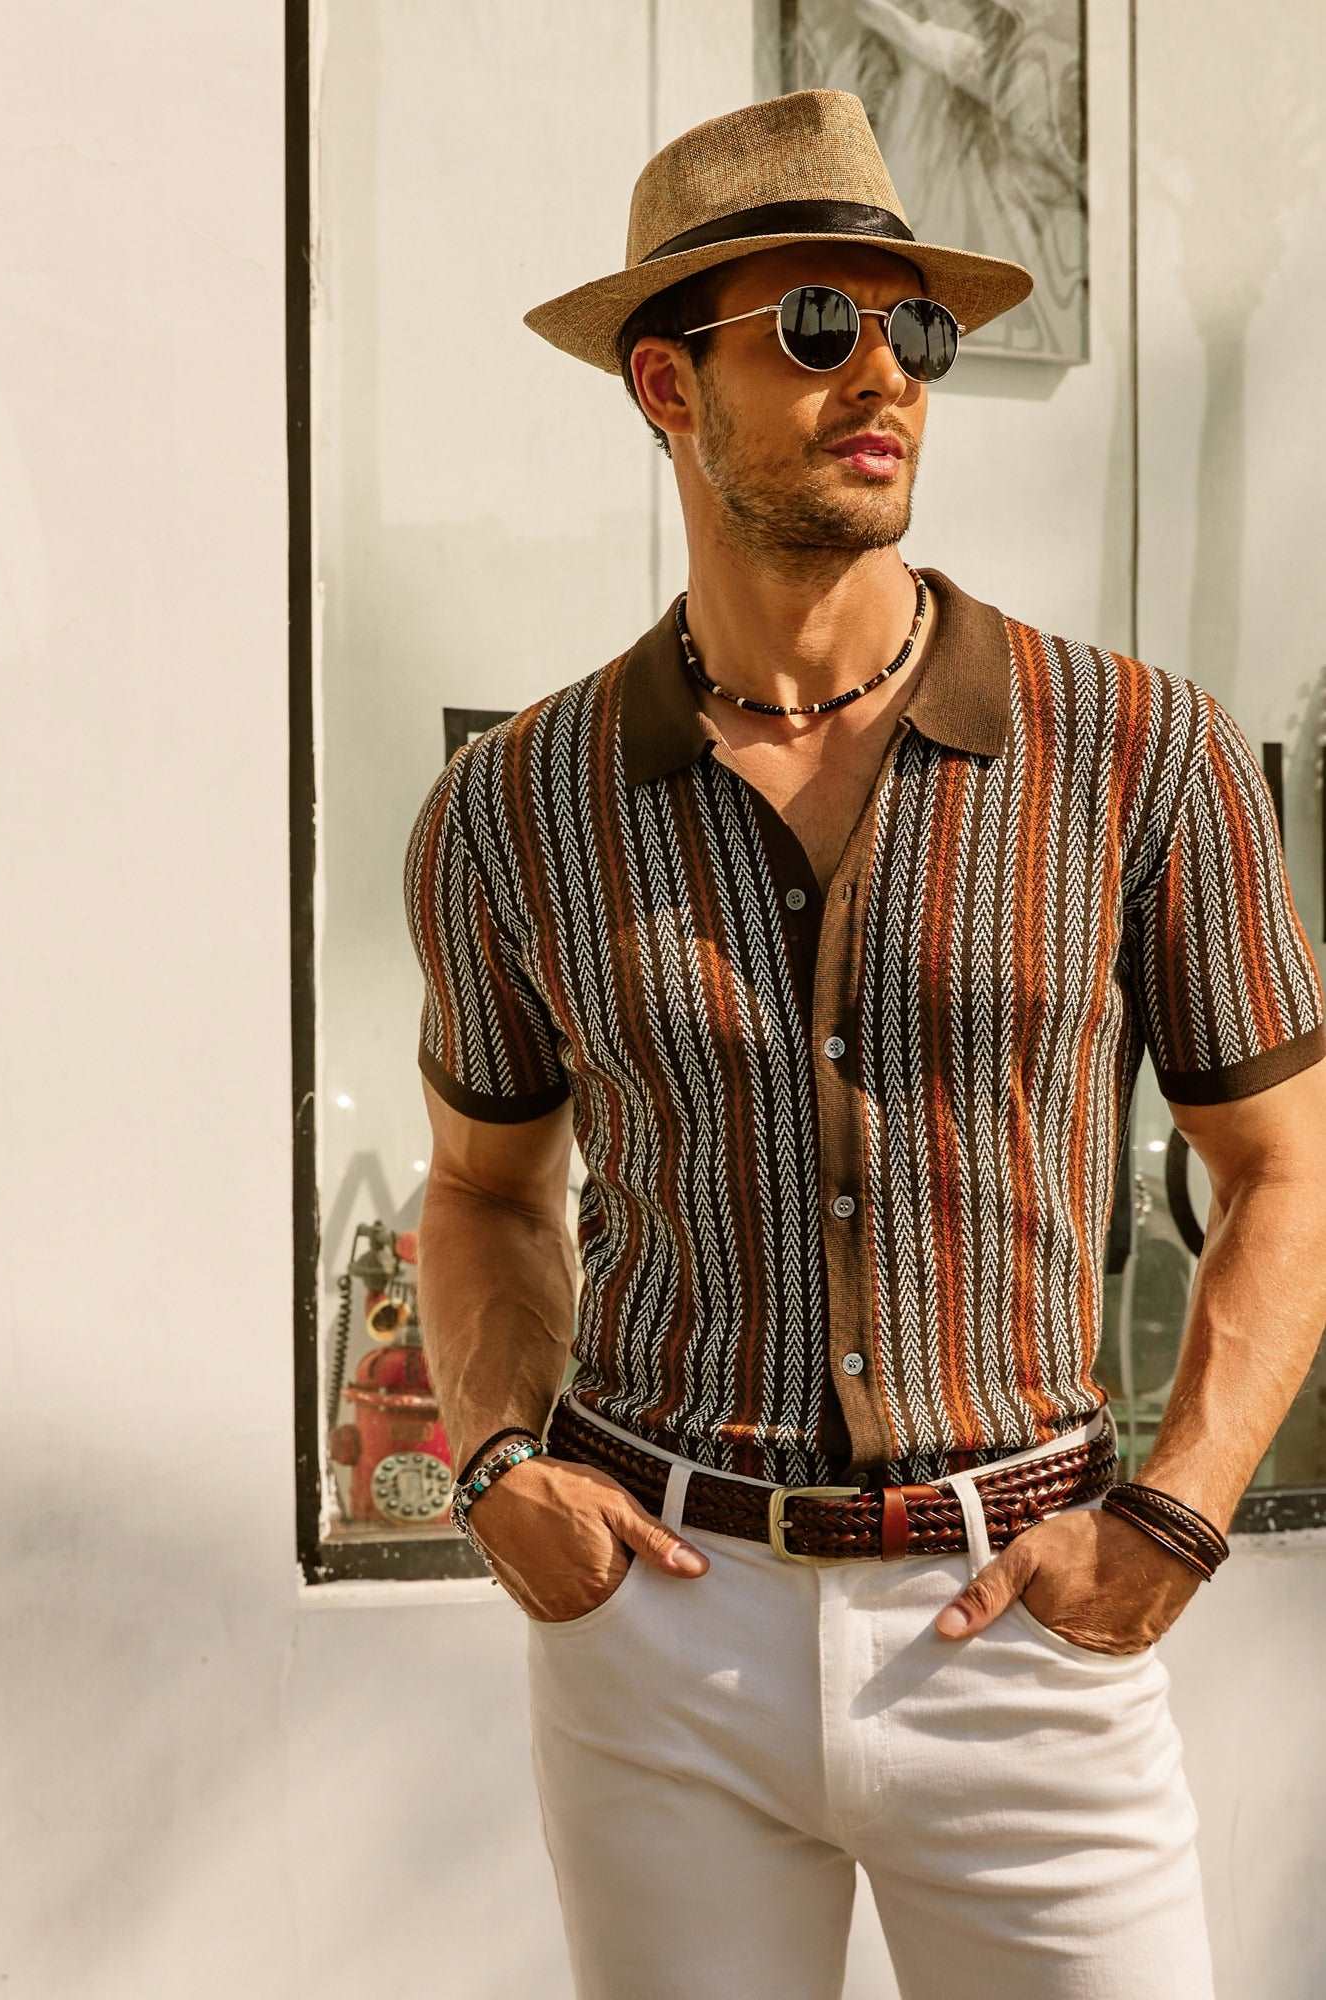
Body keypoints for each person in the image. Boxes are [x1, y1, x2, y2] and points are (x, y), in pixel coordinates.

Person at [402, 88, 1326, 2000]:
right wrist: (494, 1463)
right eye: (817, 326)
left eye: (914, 329)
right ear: (667, 385)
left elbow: (1288, 1172)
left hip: (1023, 1634)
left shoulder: (1137, 752)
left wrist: (1174, 1516)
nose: (884, 370)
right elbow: (483, 1191)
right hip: (660, 1640)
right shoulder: (515, 810)